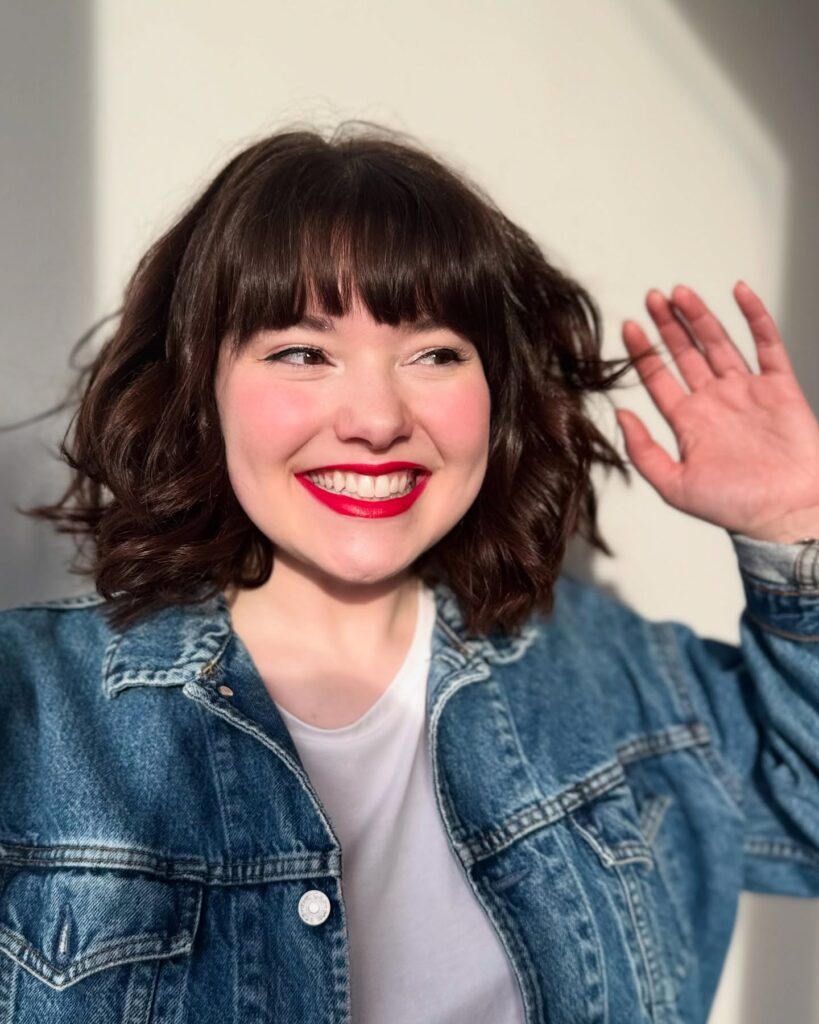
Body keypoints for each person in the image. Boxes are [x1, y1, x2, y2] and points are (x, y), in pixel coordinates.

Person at [1, 121, 818, 1024]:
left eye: (433, 353)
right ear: (202, 389)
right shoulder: (33, 708)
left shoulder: (610, 676)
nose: (376, 418)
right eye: (301, 353)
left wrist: (797, 526)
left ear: (496, 395)